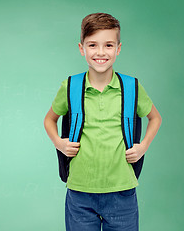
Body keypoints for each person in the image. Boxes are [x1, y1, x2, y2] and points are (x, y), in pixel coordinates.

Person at [43, 13, 162, 231]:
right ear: (82, 49)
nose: (100, 52)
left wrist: (143, 146)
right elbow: (50, 119)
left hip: (122, 192)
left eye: (108, 45)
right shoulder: (70, 86)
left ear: (118, 48)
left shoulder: (131, 87)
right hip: (80, 192)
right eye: (92, 45)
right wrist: (59, 143)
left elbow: (155, 118)